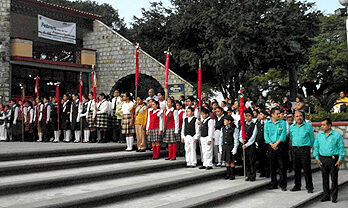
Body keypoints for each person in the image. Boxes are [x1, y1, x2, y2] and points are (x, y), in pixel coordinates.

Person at [313, 118, 346, 203]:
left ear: (329, 125)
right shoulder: (320, 135)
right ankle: (326, 196)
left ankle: (334, 197)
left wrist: (340, 159)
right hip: (323, 159)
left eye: (324, 125)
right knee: (325, 179)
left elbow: (341, 148)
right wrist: (317, 158)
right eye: (321, 125)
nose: (322, 126)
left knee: (334, 179)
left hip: (333, 159)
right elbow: (316, 147)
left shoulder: (336, 135)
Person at [289, 111, 315, 193]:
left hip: (305, 149)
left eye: (300, 116)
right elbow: (291, 138)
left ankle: (309, 187)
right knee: (296, 168)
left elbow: (312, 139)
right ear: (294, 118)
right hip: (295, 149)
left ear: (303, 117)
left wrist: (310, 148)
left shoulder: (308, 126)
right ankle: (297, 185)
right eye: (296, 116)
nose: (299, 117)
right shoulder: (292, 127)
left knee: (307, 168)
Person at [264, 108, 288, 191]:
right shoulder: (267, 123)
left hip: (280, 146)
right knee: (272, 166)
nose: (279, 115)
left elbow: (283, 135)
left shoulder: (283, 123)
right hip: (271, 146)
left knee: (282, 166)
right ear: (272, 114)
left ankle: (283, 184)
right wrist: (271, 144)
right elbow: (266, 135)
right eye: (277, 114)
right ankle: (273, 183)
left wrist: (276, 144)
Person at [219, 115, 239, 180]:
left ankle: (232, 174)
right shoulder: (223, 128)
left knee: (232, 161)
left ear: (229, 121)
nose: (224, 122)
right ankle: (228, 174)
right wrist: (220, 146)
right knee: (227, 161)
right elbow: (221, 138)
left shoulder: (234, 128)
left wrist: (235, 147)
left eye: (225, 120)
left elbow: (236, 138)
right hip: (225, 146)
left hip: (231, 146)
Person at [240, 109, 258, 182]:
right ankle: (248, 175)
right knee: (246, 161)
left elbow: (253, 137)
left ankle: (253, 175)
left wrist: (247, 144)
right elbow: (240, 134)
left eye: (249, 116)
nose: (247, 117)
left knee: (251, 161)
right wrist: (242, 140)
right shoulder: (243, 125)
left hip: (251, 146)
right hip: (244, 145)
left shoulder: (254, 125)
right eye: (246, 116)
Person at [255, 110, 269, 177]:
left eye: (261, 114)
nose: (259, 115)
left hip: (267, 142)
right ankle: (262, 171)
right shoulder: (258, 123)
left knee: (267, 157)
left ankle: (268, 171)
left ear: (265, 116)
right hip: (260, 142)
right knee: (261, 157)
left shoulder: (269, 123)